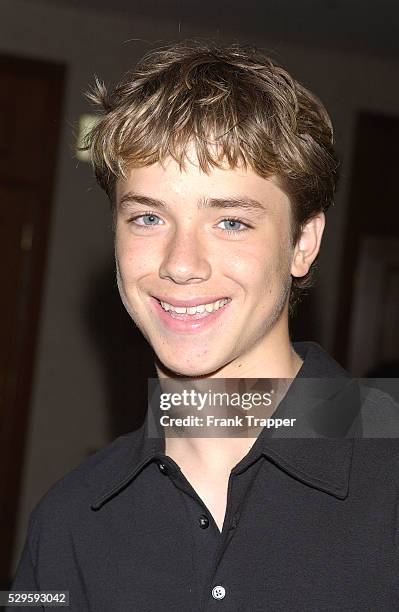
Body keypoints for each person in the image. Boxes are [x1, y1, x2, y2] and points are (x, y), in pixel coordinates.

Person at [8, 40, 399, 611]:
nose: (180, 263)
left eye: (231, 222)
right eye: (148, 216)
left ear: (302, 244)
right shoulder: (69, 519)